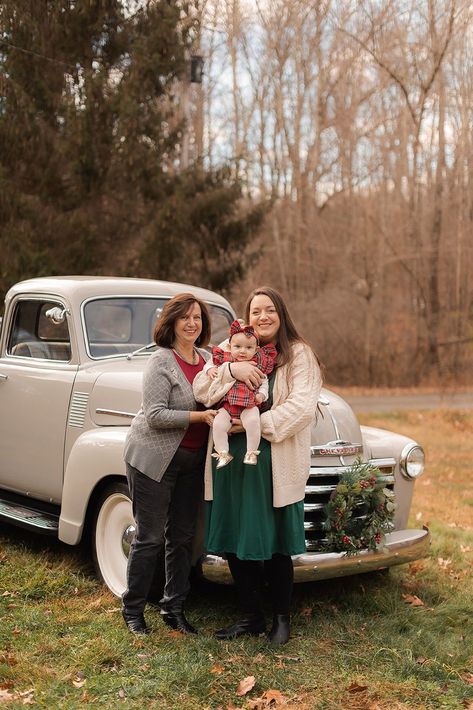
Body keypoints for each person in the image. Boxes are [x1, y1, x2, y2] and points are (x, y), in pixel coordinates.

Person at [193, 286, 322, 645]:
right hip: (230, 460)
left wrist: (256, 426)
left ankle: (281, 618)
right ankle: (250, 616)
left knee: (277, 541)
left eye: (270, 311)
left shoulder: (298, 355)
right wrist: (231, 369)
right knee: (236, 536)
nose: (262, 317)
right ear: (246, 319)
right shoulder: (228, 350)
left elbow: (302, 407)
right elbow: (202, 390)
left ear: (281, 315)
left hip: (273, 460)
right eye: (255, 312)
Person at [122, 293, 217, 635]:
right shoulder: (160, 361)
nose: (192, 323)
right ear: (172, 323)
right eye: (185, 317)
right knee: (149, 537)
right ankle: (132, 610)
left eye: (198, 318)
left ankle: (173, 608)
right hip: (153, 459)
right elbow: (155, 415)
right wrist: (199, 416)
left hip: (193, 461)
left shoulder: (208, 359)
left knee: (182, 537)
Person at [206, 319, 277, 468]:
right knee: (218, 424)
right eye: (237, 347)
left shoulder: (258, 366)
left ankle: (251, 452)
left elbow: (264, 383)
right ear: (230, 346)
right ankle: (223, 453)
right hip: (227, 405)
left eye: (248, 347)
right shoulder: (224, 359)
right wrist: (210, 370)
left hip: (248, 404)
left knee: (253, 422)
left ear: (256, 350)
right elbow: (210, 364)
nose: (242, 351)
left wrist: (262, 395)